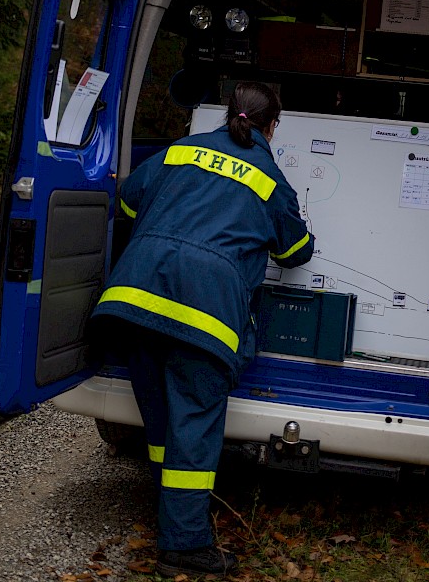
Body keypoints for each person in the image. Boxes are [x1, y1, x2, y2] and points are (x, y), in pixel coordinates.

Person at [91, 81, 313, 577]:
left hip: (134, 302)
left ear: (228, 114)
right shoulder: (270, 179)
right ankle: (185, 546)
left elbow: (127, 202)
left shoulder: (180, 150)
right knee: (194, 426)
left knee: (161, 417)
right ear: (271, 127)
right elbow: (295, 253)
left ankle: (170, 513)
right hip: (204, 315)